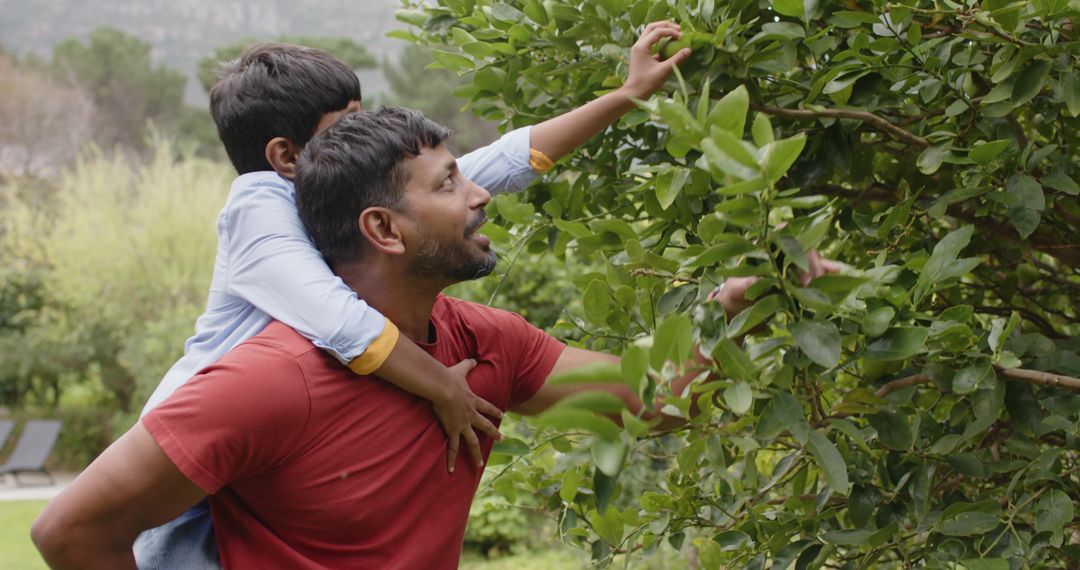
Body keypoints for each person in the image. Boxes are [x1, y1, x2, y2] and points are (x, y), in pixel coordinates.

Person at [32, 107, 838, 569]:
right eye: (450, 182)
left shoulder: (484, 342)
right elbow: (70, 530)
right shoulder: (269, 381)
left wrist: (734, 304)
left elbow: (653, 402)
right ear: (383, 228)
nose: (481, 192)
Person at [133, 22, 691, 568]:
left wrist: (626, 95)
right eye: (347, 124)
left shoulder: (336, 202)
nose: (368, 129)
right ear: (285, 157)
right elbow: (340, 321)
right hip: (185, 480)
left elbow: (493, 165)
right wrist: (444, 387)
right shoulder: (259, 212)